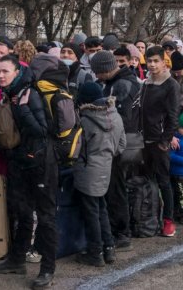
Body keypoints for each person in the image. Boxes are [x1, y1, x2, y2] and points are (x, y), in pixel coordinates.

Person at [0, 53, 58, 290]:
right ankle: (17, 260)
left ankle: (47, 268)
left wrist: (22, 109)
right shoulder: (10, 93)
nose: (0, 75)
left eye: (5, 71)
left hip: (40, 163)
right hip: (19, 160)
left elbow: (41, 130)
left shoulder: (30, 94)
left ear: (17, 71)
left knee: (46, 216)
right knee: (21, 211)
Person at [90, 50, 141, 250]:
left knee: (116, 188)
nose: (96, 76)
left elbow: (119, 119)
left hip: (119, 145)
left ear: (104, 69)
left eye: (97, 72)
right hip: (118, 143)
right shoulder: (117, 83)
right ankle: (119, 228)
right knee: (116, 187)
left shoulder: (121, 85)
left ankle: (121, 232)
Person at [73, 82, 126, 267]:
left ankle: (95, 253)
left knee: (91, 212)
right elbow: (121, 146)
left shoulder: (85, 120)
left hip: (87, 171)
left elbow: (75, 150)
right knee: (101, 208)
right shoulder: (116, 116)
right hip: (106, 168)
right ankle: (109, 249)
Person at [141, 46, 180, 237]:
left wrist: (164, 141)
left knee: (164, 181)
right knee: (147, 181)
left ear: (164, 62)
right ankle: (149, 218)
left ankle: (169, 220)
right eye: (149, 61)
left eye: (156, 61)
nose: (152, 64)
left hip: (159, 141)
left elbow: (173, 117)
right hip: (144, 140)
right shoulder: (146, 83)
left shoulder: (171, 84)